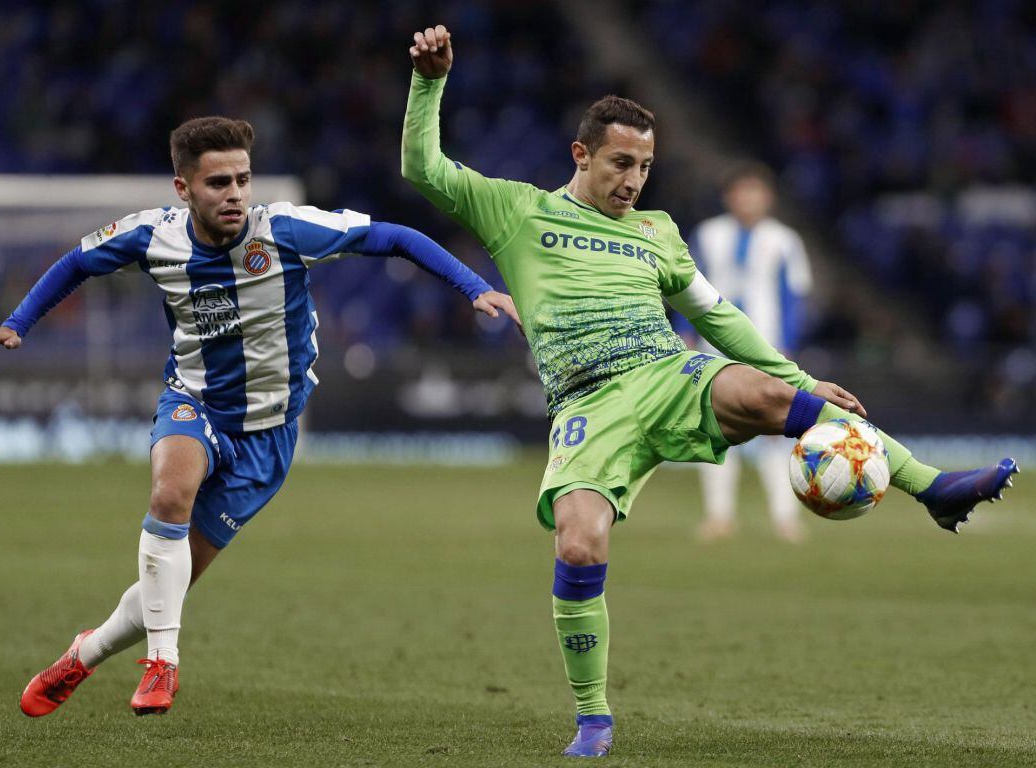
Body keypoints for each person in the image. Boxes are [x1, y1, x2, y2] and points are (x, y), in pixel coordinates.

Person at [401, 25, 1018, 757]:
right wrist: (430, 81)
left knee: (762, 394)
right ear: (582, 156)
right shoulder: (517, 211)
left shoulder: (658, 231)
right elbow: (423, 167)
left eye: (646, 167)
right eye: (620, 163)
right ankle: (594, 717)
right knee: (579, 541)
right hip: (587, 404)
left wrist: (799, 379)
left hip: (667, 374)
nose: (633, 180)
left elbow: (716, 315)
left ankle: (930, 484)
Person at [0, 116, 519, 717]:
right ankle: (162, 665)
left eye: (242, 180)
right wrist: (16, 325)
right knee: (170, 492)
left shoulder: (284, 230)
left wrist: (472, 286)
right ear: (183, 189)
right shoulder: (153, 237)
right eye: (217, 182)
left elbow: (396, 236)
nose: (234, 194)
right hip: (194, 402)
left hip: (270, 433)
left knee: (166, 585)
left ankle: (84, 654)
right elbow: (76, 262)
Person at [689, 163, 813, 543]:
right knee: (713, 430)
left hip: (767, 347)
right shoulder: (708, 235)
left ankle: (785, 516)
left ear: (768, 198)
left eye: (755, 192)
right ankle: (719, 516)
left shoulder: (784, 240)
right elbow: (686, 286)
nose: (748, 200)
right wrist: (685, 333)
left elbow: (794, 296)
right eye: (741, 192)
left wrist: (789, 342)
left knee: (776, 431)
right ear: (729, 197)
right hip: (714, 347)